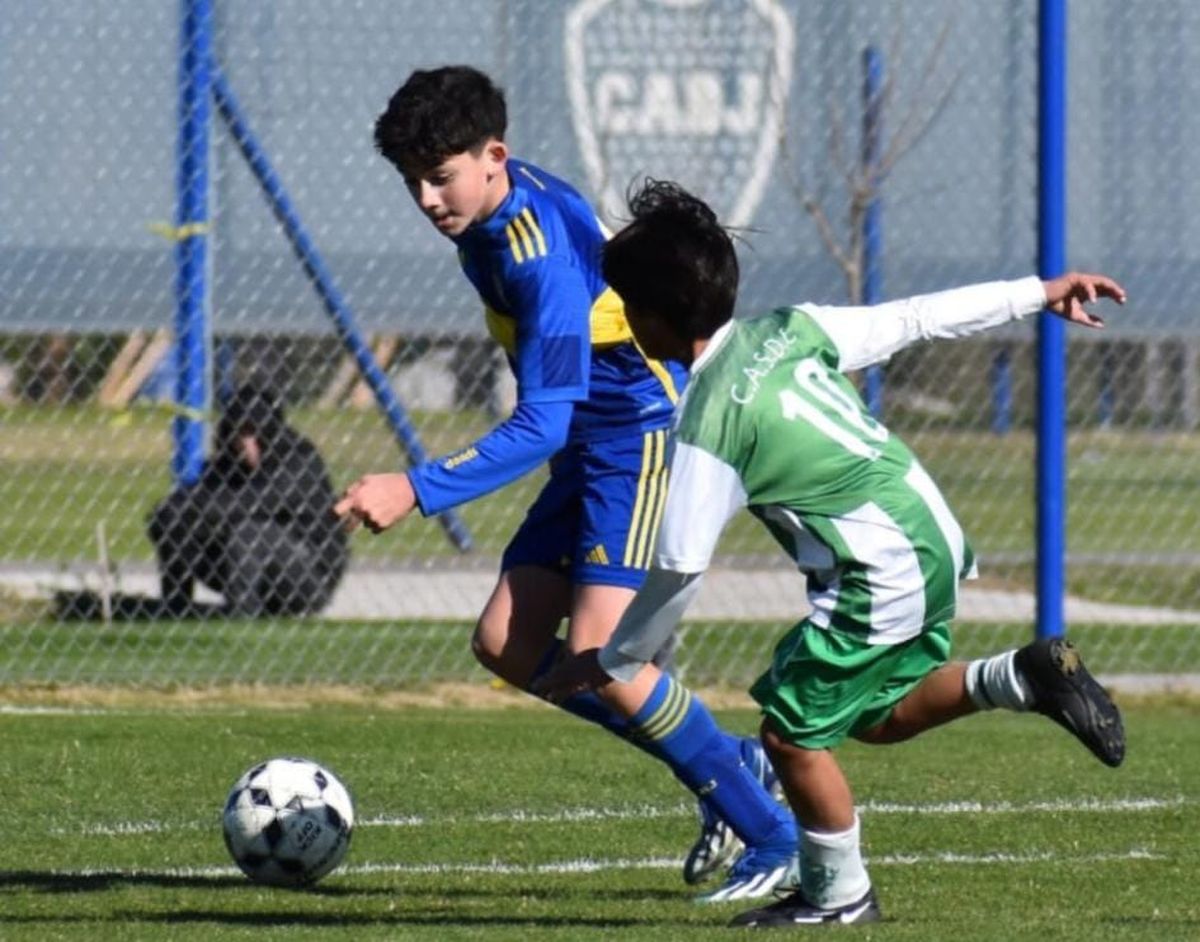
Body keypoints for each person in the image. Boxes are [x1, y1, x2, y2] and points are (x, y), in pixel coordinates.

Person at [535, 179, 1127, 927]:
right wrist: (1037, 292)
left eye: (625, 307)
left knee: (789, 736)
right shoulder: (786, 328)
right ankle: (1025, 675)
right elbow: (914, 318)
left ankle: (840, 898)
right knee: (873, 716)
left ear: (653, 319)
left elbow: (681, 569)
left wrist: (614, 660)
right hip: (930, 534)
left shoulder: (710, 420)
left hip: (877, 568)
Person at [334, 66, 796, 900]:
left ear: (494, 156)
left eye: (440, 178)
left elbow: (542, 419)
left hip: (633, 440)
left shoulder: (534, 257)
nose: (428, 200)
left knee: (601, 657)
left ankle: (772, 833)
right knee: (508, 645)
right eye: (413, 183)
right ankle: (733, 764)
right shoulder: (494, 212)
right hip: (588, 443)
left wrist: (416, 487)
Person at [147, 384, 348, 617]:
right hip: (244, 563)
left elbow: (256, 500)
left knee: (247, 532)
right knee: (177, 520)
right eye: (240, 434)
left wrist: (192, 508)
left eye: (254, 434)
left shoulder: (299, 458)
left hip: (308, 573)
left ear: (270, 431)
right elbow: (198, 502)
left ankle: (243, 617)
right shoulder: (227, 464)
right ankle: (175, 609)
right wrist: (172, 514)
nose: (246, 445)